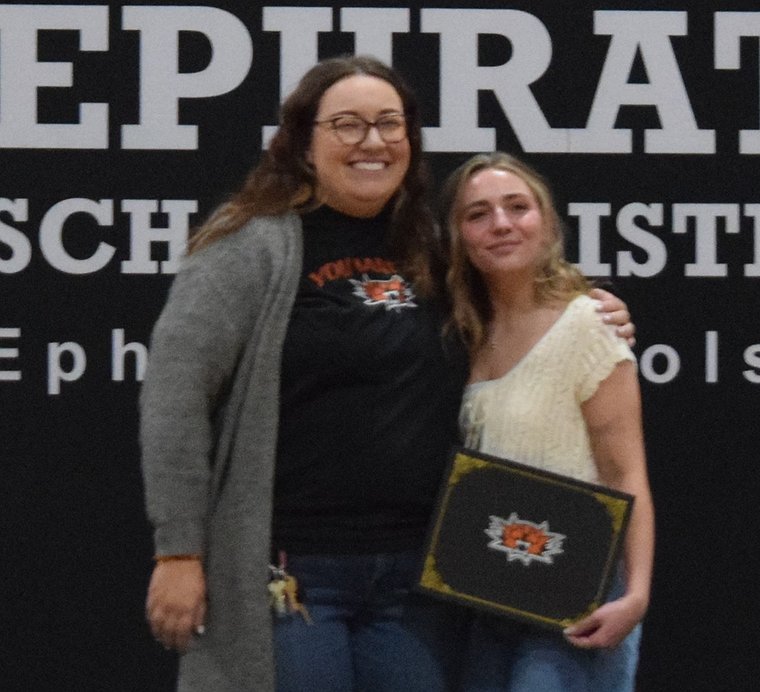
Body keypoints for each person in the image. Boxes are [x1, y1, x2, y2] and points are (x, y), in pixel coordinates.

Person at [140, 56, 635, 692]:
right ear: (303, 141)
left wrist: (592, 312)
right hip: (294, 571)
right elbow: (174, 403)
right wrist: (179, 550)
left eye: (389, 123)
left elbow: (520, 310)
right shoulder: (247, 247)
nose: (372, 141)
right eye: (347, 124)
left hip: (419, 579)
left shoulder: (433, 246)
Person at [440, 152, 654, 692]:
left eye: (518, 207)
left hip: (577, 594)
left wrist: (635, 596)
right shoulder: (460, 333)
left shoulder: (589, 324)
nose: (501, 224)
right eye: (478, 214)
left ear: (547, 222)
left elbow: (625, 472)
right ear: (458, 236)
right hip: (486, 596)